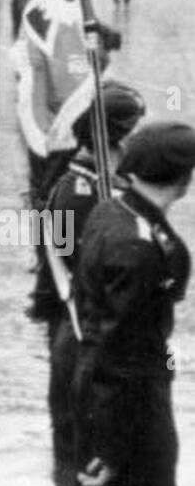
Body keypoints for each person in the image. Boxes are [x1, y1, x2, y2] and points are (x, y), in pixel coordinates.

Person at [72, 121, 195, 486]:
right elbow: (123, 356)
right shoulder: (137, 248)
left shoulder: (110, 213)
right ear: (181, 179)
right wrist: (112, 448)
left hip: (99, 388)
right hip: (131, 405)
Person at [29, 82, 146, 461]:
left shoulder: (99, 186)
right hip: (80, 327)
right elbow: (65, 268)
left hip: (89, 327)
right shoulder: (76, 193)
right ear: (115, 137)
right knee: (83, 444)